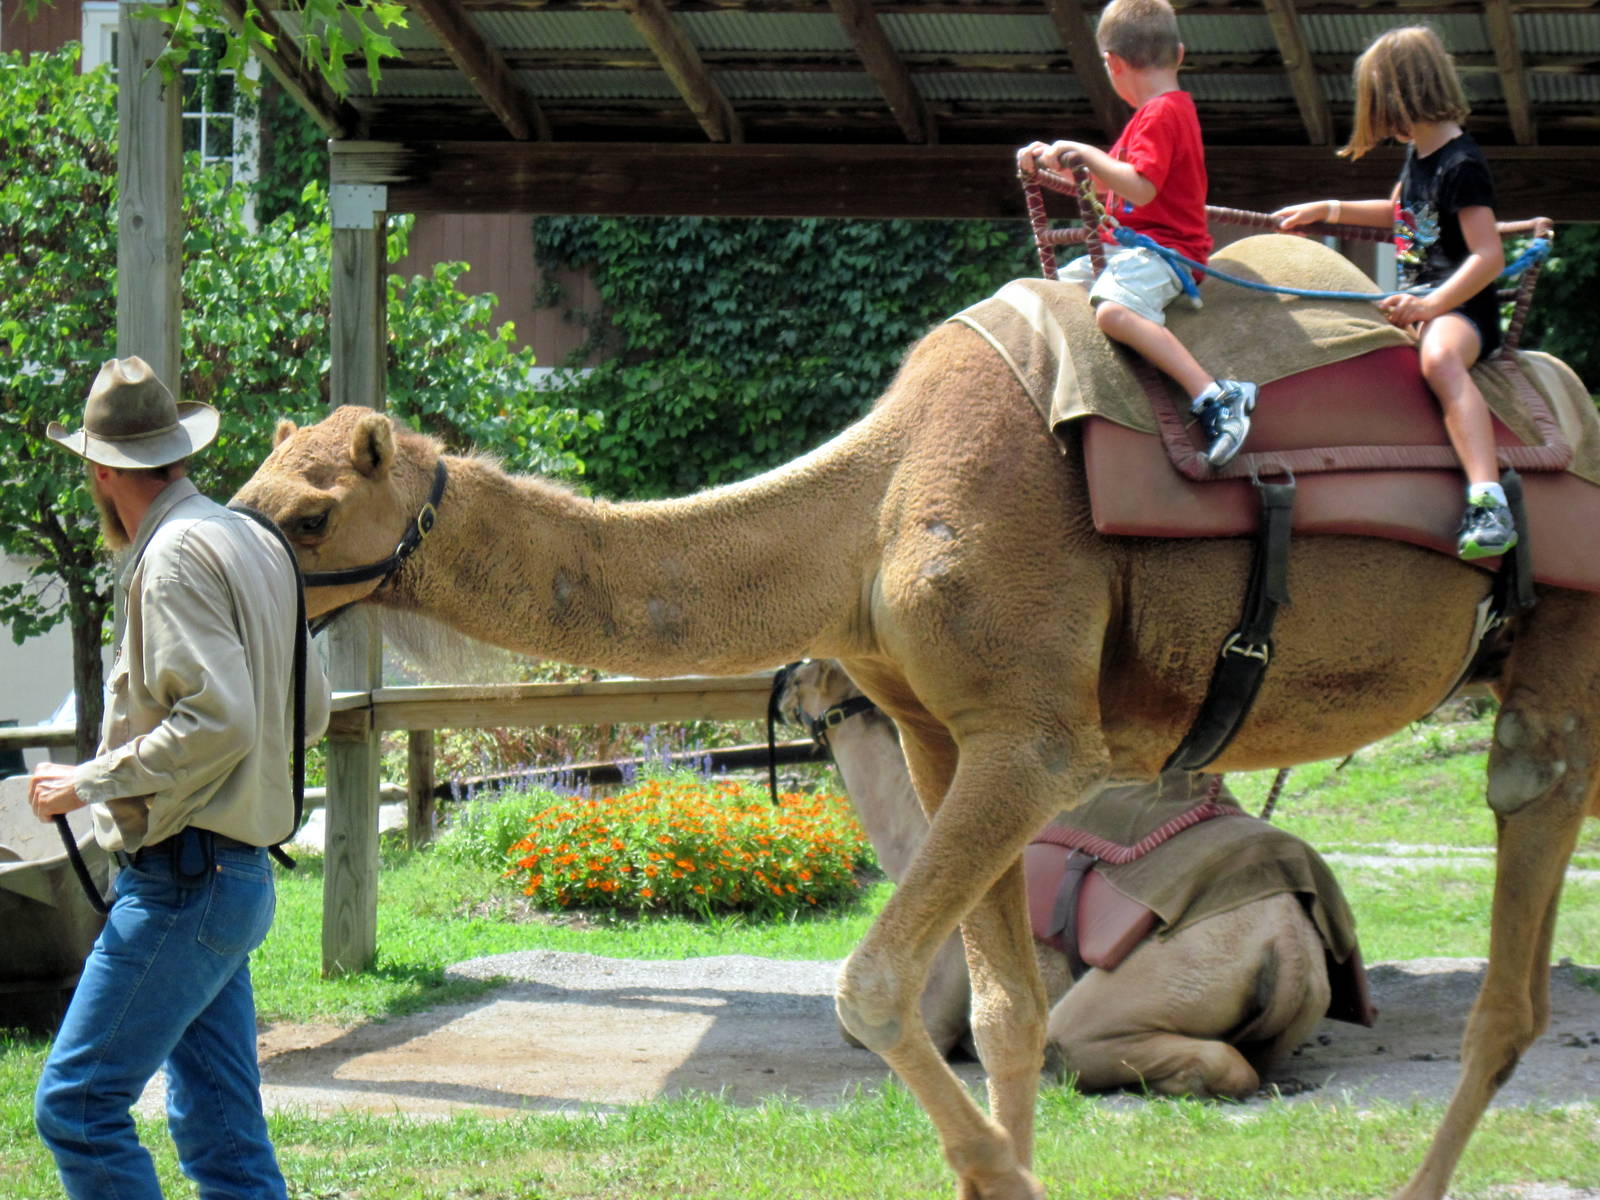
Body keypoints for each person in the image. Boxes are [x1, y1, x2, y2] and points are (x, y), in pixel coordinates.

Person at [24, 356, 329, 1199]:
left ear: (99, 469)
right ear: (175, 450)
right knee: (221, 1133)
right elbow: (309, 710)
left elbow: (219, 720)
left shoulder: (170, 559)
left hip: (184, 883)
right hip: (233, 880)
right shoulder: (251, 540)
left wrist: (91, 781)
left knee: (78, 1106)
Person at [1272, 25, 1514, 560]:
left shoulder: (1461, 163)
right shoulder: (1420, 158)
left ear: (1404, 95)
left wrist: (1431, 305)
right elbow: (1400, 213)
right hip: (1418, 302)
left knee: (1440, 362)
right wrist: (1327, 209)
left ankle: (1489, 499)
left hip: (1459, 308)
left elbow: (1488, 255)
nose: (1378, 119)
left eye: (1380, 105)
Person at [1016, 0, 1256, 469]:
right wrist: (1052, 160)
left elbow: (1141, 189)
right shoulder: (1154, 114)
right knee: (1050, 295)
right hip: (1126, 249)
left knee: (1115, 311)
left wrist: (1084, 150)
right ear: (1180, 53)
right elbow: (1108, 181)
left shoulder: (1163, 113)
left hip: (1167, 251)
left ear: (1112, 63)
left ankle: (1214, 394)